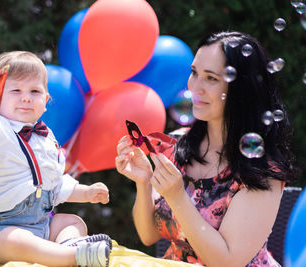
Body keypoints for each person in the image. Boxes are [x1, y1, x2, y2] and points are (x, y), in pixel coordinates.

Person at [115, 31, 298, 267]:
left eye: (211, 78)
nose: (195, 87)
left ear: (241, 88)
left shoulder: (262, 172)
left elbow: (227, 262)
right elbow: (148, 235)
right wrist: (144, 182)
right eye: (194, 73)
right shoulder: (176, 145)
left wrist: (177, 196)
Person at [0, 51, 111, 267]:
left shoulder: (46, 136)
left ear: (46, 99)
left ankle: (71, 245)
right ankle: (72, 257)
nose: (26, 97)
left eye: (34, 91)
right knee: (16, 240)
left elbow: (55, 181)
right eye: (15, 90)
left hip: (42, 226)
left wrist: (86, 192)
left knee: (72, 221)